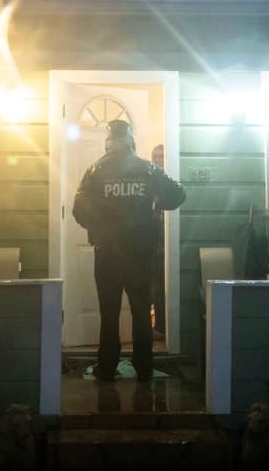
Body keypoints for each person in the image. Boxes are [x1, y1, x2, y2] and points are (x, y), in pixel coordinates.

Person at [73, 120, 186, 382]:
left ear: (108, 142)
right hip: (140, 254)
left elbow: (79, 208)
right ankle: (144, 368)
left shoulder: (94, 170)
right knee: (140, 312)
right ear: (131, 141)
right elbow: (179, 194)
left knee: (108, 312)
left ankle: (107, 368)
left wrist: (98, 227)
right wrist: (157, 202)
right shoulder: (148, 169)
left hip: (107, 254)